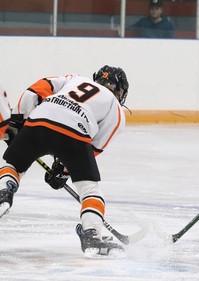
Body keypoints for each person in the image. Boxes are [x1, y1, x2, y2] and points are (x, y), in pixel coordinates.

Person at [0, 65, 130, 255]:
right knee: (89, 189)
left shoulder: (74, 79)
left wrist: (19, 122)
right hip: (76, 134)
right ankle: (92, 235)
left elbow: (35, 90)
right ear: (120, 91)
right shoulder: (115, 108)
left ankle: (4, 192)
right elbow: (93, 147)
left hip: (39, 120)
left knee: (14, 166)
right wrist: (64, 170)